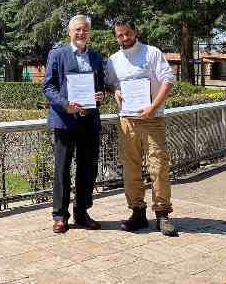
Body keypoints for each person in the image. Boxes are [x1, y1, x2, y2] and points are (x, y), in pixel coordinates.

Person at [105, 18, 177, 237]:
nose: (124, 38)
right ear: (115, 37)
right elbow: (109, 83)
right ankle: (137, 212)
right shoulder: (114, 59)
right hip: (127, 120)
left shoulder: (152, 53)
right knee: (131, 169)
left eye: (127, 33)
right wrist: (113, 91)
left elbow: (168, 80)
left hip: (152, 119)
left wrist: (154, 106)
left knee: (158, 166)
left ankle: (162, 214)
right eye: (120, 35)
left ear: (135, 31)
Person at [43, 14, 105, 233]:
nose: (81, 33)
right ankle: (60, 216)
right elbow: (48, 87)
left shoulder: (96, 57)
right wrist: (65, 104)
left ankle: (81, 212)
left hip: (89, 121)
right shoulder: (57, 54)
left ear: (89, 33)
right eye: (77, 30)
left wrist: (100, 96)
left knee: (87, 170)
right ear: (70, 32)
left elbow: (101, 87)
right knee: (62, 170)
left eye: (85, 30)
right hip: (64, 121)